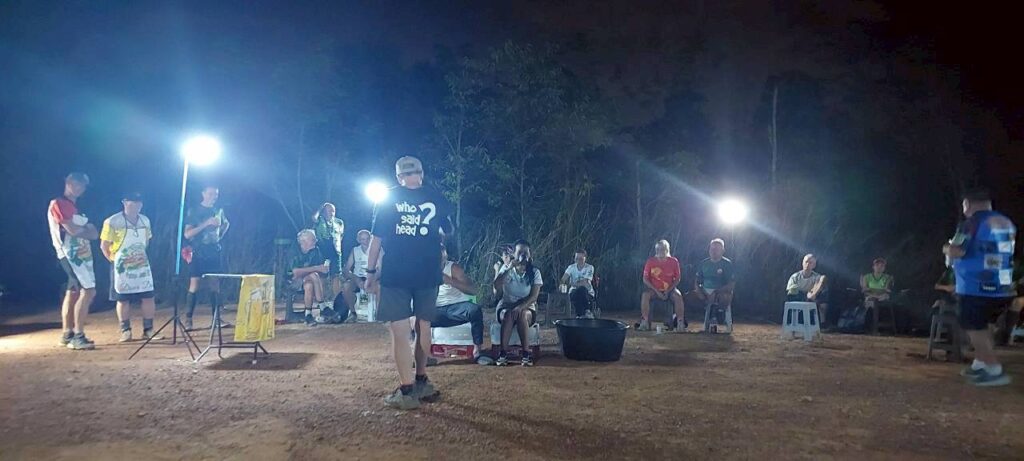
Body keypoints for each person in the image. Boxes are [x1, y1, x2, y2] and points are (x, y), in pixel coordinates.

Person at [365, 156, 453, 410]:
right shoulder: (436, 196)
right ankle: (422, 380)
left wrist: (370, 273)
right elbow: (448, 230)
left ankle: (406, 390)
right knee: (424, 326)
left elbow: (376, 242)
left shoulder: (388, 198)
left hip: (397, 274)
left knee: (400, 331)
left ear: (398, 176)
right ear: (421, 173)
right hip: (428, 272)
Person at [945, 190, 1016, 386]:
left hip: (976, 286)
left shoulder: (972, 223)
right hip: (1002, 286)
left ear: (968, 203)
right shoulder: (1006, 222)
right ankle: (980, 363)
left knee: (973, 325)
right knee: (985, 326)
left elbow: (958, 251)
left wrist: (946, 249)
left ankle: (993, 369)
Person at [48, 172, 99, 350]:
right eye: (75, 184)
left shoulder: (77, 206)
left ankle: (67, 333)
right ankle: (78, 335)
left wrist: (83, 229)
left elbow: (94, 233)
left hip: (82, 255)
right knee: (89, 291)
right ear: (67, 183)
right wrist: (84, 229)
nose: (79, 188)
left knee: (73, 292)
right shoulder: (58, 203)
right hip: (69, 254)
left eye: (82, 185)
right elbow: (72, 230)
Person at [100, 192, 158, 342]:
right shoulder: (112, 221)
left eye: (139, 202)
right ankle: (125, 331)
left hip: (141, 263)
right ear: (125, 202)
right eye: (133, 202)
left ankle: (148, 329)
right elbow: (104, 245)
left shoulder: (145, 220)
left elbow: (147, 241)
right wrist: (114, 261)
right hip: (121, 266)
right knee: (123, 298)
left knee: (148, 296)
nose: (137, 205)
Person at [183, 185, 230, 331]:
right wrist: (206, 224)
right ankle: (188, 320)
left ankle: (216, 318)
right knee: (195, 284)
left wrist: (219, 235)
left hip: (213, 250)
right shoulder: (194, 211)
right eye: (210, 194)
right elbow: (188, 234)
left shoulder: (218, 210)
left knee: (215, 283)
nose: (213, 197)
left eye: (215, 194)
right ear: (203, 194)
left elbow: (226, 224)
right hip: (198, 250)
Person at [433, 245, 489, 365]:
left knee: (474, 310)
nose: (438, 259)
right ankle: (422, 355)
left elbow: (473, 290)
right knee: (415, 317)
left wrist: (450, 281)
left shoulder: (453, 268)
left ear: (445, 256)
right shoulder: (424, 269)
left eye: (441, 256)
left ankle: (477, 351)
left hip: (456, 307)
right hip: (436, 310)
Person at [493, 240, 543, 366]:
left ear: (530, 255)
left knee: (522, 315)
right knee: (508, 314)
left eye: (526, 252)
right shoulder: (507, 269)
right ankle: (503, 354)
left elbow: (534, 296)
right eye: (520, 252)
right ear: (514, 254)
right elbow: (496, 285)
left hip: (527, 305)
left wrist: (520, 307)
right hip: (506, 304)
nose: (523, 255)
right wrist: (509, 267)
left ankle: (526, 355)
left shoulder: (535, 272)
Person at [638, 240, 686, 332]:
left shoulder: (674, 261)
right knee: (645, 295)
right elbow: (645, 279)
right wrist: (657, 291)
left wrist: (668, 290)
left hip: (670, 289)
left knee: (678, 296)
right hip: (654, 289)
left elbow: (677, 279)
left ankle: (680, 322)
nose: (660, 251)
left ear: (667, 250)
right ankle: (644, 321)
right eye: (658, 249)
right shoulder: (650, 261)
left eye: (663, 249)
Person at [289, 229, 331, 326]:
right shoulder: (294, 251)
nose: (316, 241)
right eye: (313, 239)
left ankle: (308, 315)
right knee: (313, 275)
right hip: (293, 281)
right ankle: (323, 306)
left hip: (310, 280)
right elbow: (295, 272)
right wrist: (316, 268)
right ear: (303, 242)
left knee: (309, 285)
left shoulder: (316, 251)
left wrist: (323, 269)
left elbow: (320, 269)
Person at [693, 238, 735, 324]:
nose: (713, 251)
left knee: (726, 297)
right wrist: (699, 291)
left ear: (722, 251)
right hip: (705, 290)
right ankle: (679, 321)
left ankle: (719, 313)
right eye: (712, 248)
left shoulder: (727, 264)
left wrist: (716, 292)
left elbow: (731, 284)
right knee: (687, 298)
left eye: (717, 249)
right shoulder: (703, 263)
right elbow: (697, 280)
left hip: (720, 291)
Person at [342, 229, 379, 314]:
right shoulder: (355, 250)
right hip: (357, 277)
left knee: (380, 287)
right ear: (358, 240)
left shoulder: (377, 250)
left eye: (367, 239)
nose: (365, 241)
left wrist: (371, 279)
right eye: (363, 239)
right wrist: (356, 279)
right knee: (346, 287)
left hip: (373, 277)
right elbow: (347, 269)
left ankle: (377, 313)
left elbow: (380, 268)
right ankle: (353, 312)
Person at [786, 254, 828, 326]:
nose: (808, 264)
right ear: (802, 263)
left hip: (812, 297)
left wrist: (812, 294)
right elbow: (791, 290)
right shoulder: (795, 276)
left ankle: (822, 323)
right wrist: (806, 294)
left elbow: (821, 286)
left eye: (810, 263)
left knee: (823, 280)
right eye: (806, 262)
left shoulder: (817, 277)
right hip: (799, 297)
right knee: (796, 293)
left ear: (814, 265)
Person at [314, 202, 345, 297]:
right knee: (322, 275)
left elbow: (341, 235)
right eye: (329, 210)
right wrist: (320, 208)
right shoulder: (320, 220)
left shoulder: (339, 222)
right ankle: (322, 299)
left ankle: (336, 299)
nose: (331, 213)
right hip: (322, 250)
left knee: (336, 275)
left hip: (335, 251)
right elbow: (313, 218)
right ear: (324, 212)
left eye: (333, 211)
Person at [560, 250, 595, 318]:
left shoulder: (589, 267)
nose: (578, 260)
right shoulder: (571, 267)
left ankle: (580, 314)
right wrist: (562, 284)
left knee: (582, 290)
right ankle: (586, 311)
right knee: (578, 292)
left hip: (587, 292)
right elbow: (563, 279)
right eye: (577, 258)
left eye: (581, 258)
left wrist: (573, 284)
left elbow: (585, 282)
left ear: (585, 258)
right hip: (573, 291)